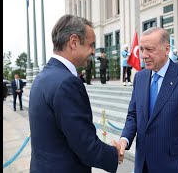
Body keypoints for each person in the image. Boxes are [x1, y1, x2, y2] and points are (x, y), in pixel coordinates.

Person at [28, 15, 122, 173]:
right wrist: (114, 153)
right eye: (91, 45)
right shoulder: (67, 83)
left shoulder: (43, 76)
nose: (93, 51)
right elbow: (86, 146)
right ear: (73, 42)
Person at [118, 27, 178, 173]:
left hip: (176, 166)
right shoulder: (140, 78)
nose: (143, 55)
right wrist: (124, 139)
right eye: (141, 49)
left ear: (167, 49)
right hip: (143, 165)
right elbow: (133, 115)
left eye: (149, 49)